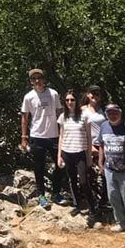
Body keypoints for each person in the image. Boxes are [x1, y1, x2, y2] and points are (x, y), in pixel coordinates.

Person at [95, 104, 125, 238]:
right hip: (110, 170)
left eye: (115, 112)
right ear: (106, 114)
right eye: (109, 113)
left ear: (120, 113)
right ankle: (122, 223)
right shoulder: (104, 126)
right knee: (113, 198)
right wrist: (100, 163)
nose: (112, 115)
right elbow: (101, 145)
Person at [20, 68, 65, 208]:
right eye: (34, 79)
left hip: (53, 135)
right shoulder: (29, 97)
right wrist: (23, 137)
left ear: (44, 79)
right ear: (31, 82)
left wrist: (64, 132)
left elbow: (59, 113)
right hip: (37, 136)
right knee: (39, 167)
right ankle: (41, 195)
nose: (37, 81)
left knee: (61, 164)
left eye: (39, 78)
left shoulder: (53, 94)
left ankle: (56, 192)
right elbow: (24, 118)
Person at [57, 90, 96, 217]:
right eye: (67, 100)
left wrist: (89, 156)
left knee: (84, 181)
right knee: (72, 179)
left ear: (76, 101)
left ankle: (92, 207)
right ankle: (77, 205)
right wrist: (59, 155)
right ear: (64, 102)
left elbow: (89, 137)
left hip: (80, 152)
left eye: (72, 100)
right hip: (67, 152)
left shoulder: (84, 116)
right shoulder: (63, 117)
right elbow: (61, 136)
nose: (70, 102)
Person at [81, 85, 108, 211]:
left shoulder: (102, 110)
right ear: (87, 95)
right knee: (88, 173)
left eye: (97, 93)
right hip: (89, 145)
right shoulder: (82, 110)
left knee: (104, 173)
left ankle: (103, 201)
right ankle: (89, 201)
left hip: (102, 145)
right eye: (92, 93)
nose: (94, 96)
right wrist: (89, 146)